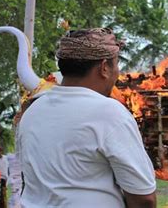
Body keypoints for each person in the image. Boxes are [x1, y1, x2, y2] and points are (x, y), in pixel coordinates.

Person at [18, 28, 156, 207]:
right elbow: (143, 198)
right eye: (116, 65)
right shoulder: (109, 113)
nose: (118, 74)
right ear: (104, 67)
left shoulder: (32, 111)